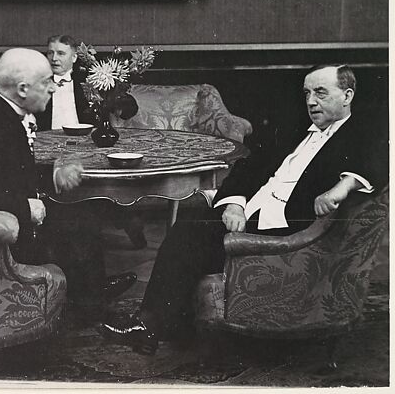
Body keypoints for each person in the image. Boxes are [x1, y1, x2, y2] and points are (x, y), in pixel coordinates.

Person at [100, 64, 388, 355]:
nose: (311, 101)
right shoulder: (297, 130)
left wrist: (343, 186)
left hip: (287, 230)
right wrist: (235, 204)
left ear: (347, 95)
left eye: (321, 93)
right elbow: (248, 167)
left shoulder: (360, 134)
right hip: (250, 214)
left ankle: (149, 325)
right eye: (307, 93)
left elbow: (378, 162)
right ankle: (166, 325)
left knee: (191, 234)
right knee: (193, 222)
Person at [0, 48, 136, 321]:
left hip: (9, 214)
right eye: (46, 82)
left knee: (85, 215)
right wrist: (25, 207)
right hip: (0, 231)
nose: (53, 89)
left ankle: (90, 291)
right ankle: (90, 302)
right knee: (78, 223)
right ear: (23, 89)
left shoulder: (3, 115)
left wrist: (52, 177)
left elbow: (11, 174)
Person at [44, 34, 147, 249]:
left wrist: (118, 102)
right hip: (47, 147)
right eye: (50, 53)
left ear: (74, 58)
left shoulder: (91, 82)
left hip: (87, 146)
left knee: (103, 182)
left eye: (61, 53)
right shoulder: (38, 82)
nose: (54, 58)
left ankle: (126, 220)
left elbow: (128, 110)